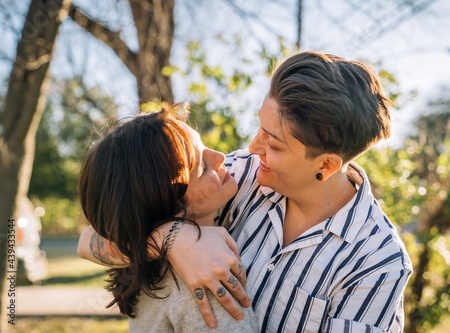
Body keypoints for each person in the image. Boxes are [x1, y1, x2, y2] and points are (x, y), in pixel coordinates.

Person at [79, 51, 413, 332]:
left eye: (274, 144)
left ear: (326, 165)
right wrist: (173, 240)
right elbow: (92, 239)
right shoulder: (239, 177)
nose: (253, 147)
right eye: (260, 128)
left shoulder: (377, 262)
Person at [77, 107, 258, 332]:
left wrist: (170, 235)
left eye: (203, 146)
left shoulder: (145, 271)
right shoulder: (205, 279)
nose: (222, 157)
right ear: (171, 205)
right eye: (203, 167)